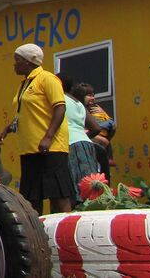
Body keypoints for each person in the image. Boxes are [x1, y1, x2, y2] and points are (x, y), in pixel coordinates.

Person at [0, 43, 72, 215]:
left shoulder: (48, 79)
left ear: (29, 62)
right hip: (29, 149)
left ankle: (66, 230)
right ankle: (37, 234)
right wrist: (7, 129)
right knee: (31, 197)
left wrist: (48, 137)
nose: (14, 65)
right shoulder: (24, 84)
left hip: (50, 147)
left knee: (58, 193)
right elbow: (23, 113)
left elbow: (60, 108)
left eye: (17, 61)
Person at [57, 74, 100, 206]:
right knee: (91, 187)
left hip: (69, 144)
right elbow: (96, 128)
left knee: (74, 188)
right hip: (86, 144)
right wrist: (83, 136)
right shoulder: (78, 103)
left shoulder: (58, 99)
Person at [73, 81, 116, 181]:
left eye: (93, 95)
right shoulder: (77, 112)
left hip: (99, 154)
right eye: (89, 95)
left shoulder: (96, 110)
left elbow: (112, 128)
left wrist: (107, 121)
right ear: (79, 97)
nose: (93, 98)